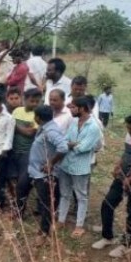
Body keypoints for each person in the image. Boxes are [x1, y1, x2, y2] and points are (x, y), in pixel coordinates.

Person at [57, 96, 102, 237]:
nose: (70, 110)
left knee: (81, 196)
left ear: (82, 109)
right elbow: (64, 141)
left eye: (73, 107)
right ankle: (61, 220)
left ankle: (79, 225)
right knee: (64, 194)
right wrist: (71, 144)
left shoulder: (94, 127)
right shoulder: (74, 121)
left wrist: (71, 145)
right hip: (66, 165)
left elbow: (83, 148)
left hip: (80, 168)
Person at [25, 105, 69, 239]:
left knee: (46, 204)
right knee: (44, 201)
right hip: (36, 170)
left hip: (45, 173)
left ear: (37, 117)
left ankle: (45, 232)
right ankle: (45, 228)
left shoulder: (50, 131)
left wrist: (51, 163)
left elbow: (63, 147)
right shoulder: (46, 128)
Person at [96, 114, 131, 257]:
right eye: (129, 128)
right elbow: (125, 154)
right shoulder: (129, 136)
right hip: (122, 177)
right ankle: (107, 237)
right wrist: (118, 166)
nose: (130, 132)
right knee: (107, 204)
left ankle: (126, 245)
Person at [13, 89, 43, 215]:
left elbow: (30, 133)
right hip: (13, 150)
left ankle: (20, 211)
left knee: (23, 182)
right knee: (13, 180)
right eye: (32, 101)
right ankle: (14, 207)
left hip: (28, 152)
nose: (35, 104)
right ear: (24, 99)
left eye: (37, 101)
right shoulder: (17, 111)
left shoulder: (37, 116)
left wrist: (14, 125)